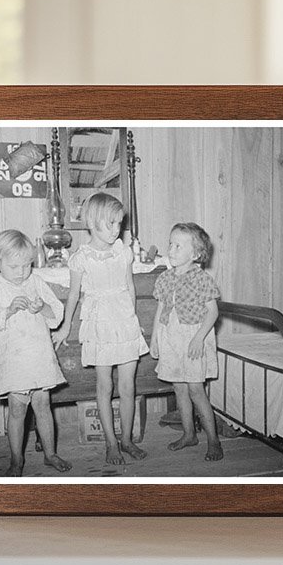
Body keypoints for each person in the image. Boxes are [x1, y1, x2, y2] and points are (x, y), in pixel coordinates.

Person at [55, 192, 149, 465]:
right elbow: (73, 295)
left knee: (128, 385)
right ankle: (111, 442)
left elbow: (130, 287)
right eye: (111, 224)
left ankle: (127, 439)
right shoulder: (81, 258)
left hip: (124, 322)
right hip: (99, 325)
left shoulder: (123, 251)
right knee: (104, 385)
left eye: (119, 224)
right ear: (93, 222)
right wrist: (64, 327)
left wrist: (133, 320)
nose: (116, 230)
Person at [0, 229, 72, 477]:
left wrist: (43, 308)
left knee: (43, 406)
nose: (21, 272)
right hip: (15, 360)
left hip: (39, 356)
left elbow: (57, 311)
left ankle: (50, 454)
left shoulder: (35, 281)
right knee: (17, 411)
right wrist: (7, 310)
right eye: (14, 266)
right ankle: (16, 460)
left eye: (26, 265)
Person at [150, 222, 223, 461]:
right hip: (171, 337)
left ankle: (213, 440)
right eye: (170, 243)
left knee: (195, 390)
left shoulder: (201, 279)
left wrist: (199, 338)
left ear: (195, 254)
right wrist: (154, 339)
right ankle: (189, 434)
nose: (171, 249)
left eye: (178, 246)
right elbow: (161, 310)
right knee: (178, 388)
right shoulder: (164, 278)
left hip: (193, 338)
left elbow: (212, 313)